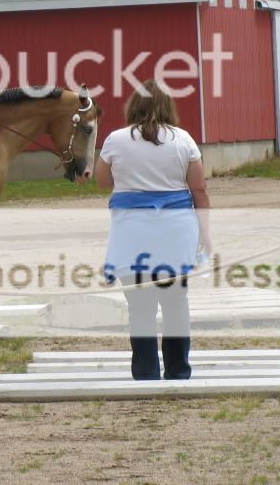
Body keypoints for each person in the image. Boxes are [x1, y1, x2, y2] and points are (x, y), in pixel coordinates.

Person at [93, 80, 213, 381]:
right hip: (176, 231)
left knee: (140, 307)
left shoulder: (115, 140)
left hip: (132, 233)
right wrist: (205, 233)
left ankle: (145, 373)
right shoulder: (183, 139)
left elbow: (103, 182)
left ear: (133, 106)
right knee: (175, 304)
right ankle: (178, 371)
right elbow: (198, 188)